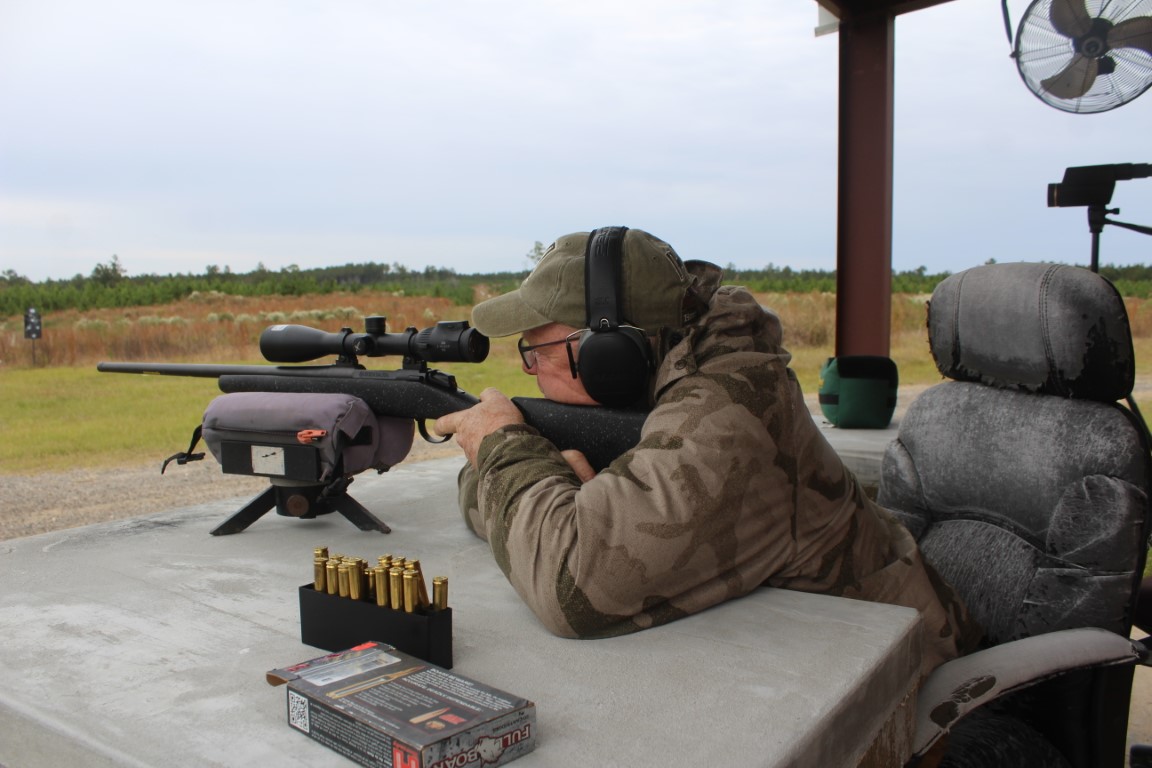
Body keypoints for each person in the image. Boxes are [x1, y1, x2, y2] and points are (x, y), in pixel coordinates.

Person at [434, 226, 980, 677]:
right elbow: (497, 508)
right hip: (798, 658)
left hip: (909, 691)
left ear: (607, 356)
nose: (530, 371)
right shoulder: (672, 381)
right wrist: (536, 478)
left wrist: (504, 445)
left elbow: (571, 588)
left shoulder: (725, 413)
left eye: (536, 353)